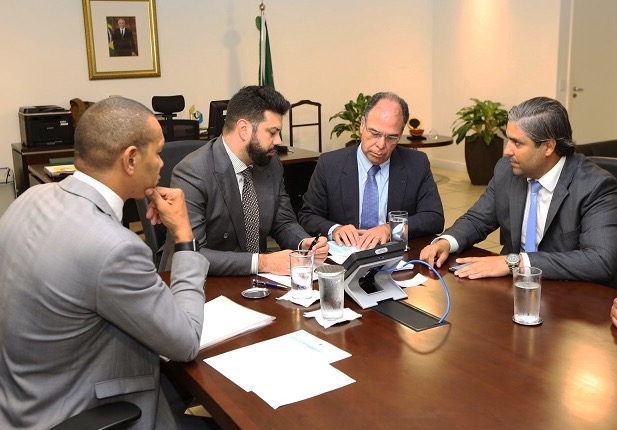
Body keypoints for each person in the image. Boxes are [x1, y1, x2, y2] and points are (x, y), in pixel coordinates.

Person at [0, 97, 211, 429]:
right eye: (156, 153)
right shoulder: (115, 247)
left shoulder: (29, 199)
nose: (161, 163)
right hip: (79, 409)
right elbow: (185, 342)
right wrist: (184, 236)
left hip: (24, 400)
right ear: (130, 159)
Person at [420, 96, 617, 287]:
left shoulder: (595, 186)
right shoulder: (507, 170)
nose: (507, 151)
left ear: (548, 146)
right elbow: (477, 219)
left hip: (569, 295)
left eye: (518, 143)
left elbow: (600, 260)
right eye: (508, 140)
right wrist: (445, 242)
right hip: (512, 288)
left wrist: (514, 262)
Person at [159, 85, 328, 276]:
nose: (279, 141)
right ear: (243, 129)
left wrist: (304, 242)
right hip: (204, 282)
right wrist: (262, 262)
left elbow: (283, 222)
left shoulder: (270, 165)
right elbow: (193, 254)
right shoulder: (193, 172)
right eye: (272, 132)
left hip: (257, 282)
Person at [298, 92, 444, 250]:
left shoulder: (416, 163)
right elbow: (308, 215)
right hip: (346, 256)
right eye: (374, 134)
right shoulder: (329, 164)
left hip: (394, 257)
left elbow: (434, 217)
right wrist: (335, 230)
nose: (381, 145)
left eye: (391, 137)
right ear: (362, 125)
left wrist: (391, 228)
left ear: (400, 135)